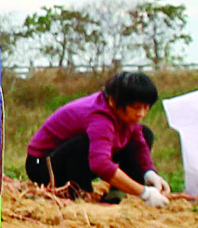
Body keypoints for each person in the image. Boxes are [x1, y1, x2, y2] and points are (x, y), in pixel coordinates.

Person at [24, 71, 170, 205]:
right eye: (136, 108)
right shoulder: (100, 117)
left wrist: (148, 172)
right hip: (42, 165)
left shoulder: (124, 116)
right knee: (84, 145)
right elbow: (100, 164)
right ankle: (77, 192)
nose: (141, 114)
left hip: (70, 158)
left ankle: (118, 193)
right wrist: (144, 192)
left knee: (145, 133)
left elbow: (139, 144)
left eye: (146, 108)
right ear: (114, 101)